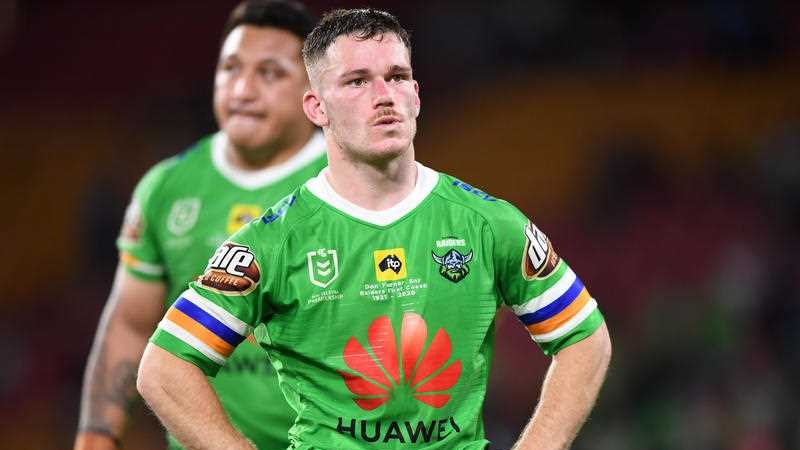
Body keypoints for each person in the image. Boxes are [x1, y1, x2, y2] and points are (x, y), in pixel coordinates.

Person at [137, 8, 611, 450]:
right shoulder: (272, 242)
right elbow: (164, 368)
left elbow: (584, 338)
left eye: (397, 77)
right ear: (316, 107)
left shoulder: (488, 223)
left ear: (417, 94)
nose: (384, 96)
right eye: (357, 81)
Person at [73, 1, 325, 449]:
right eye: (230, 68)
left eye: (269, 73)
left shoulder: (357, 181)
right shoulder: (167, 187)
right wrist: (97, 436)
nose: (243, 89)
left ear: (314, 91)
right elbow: (132, 325)